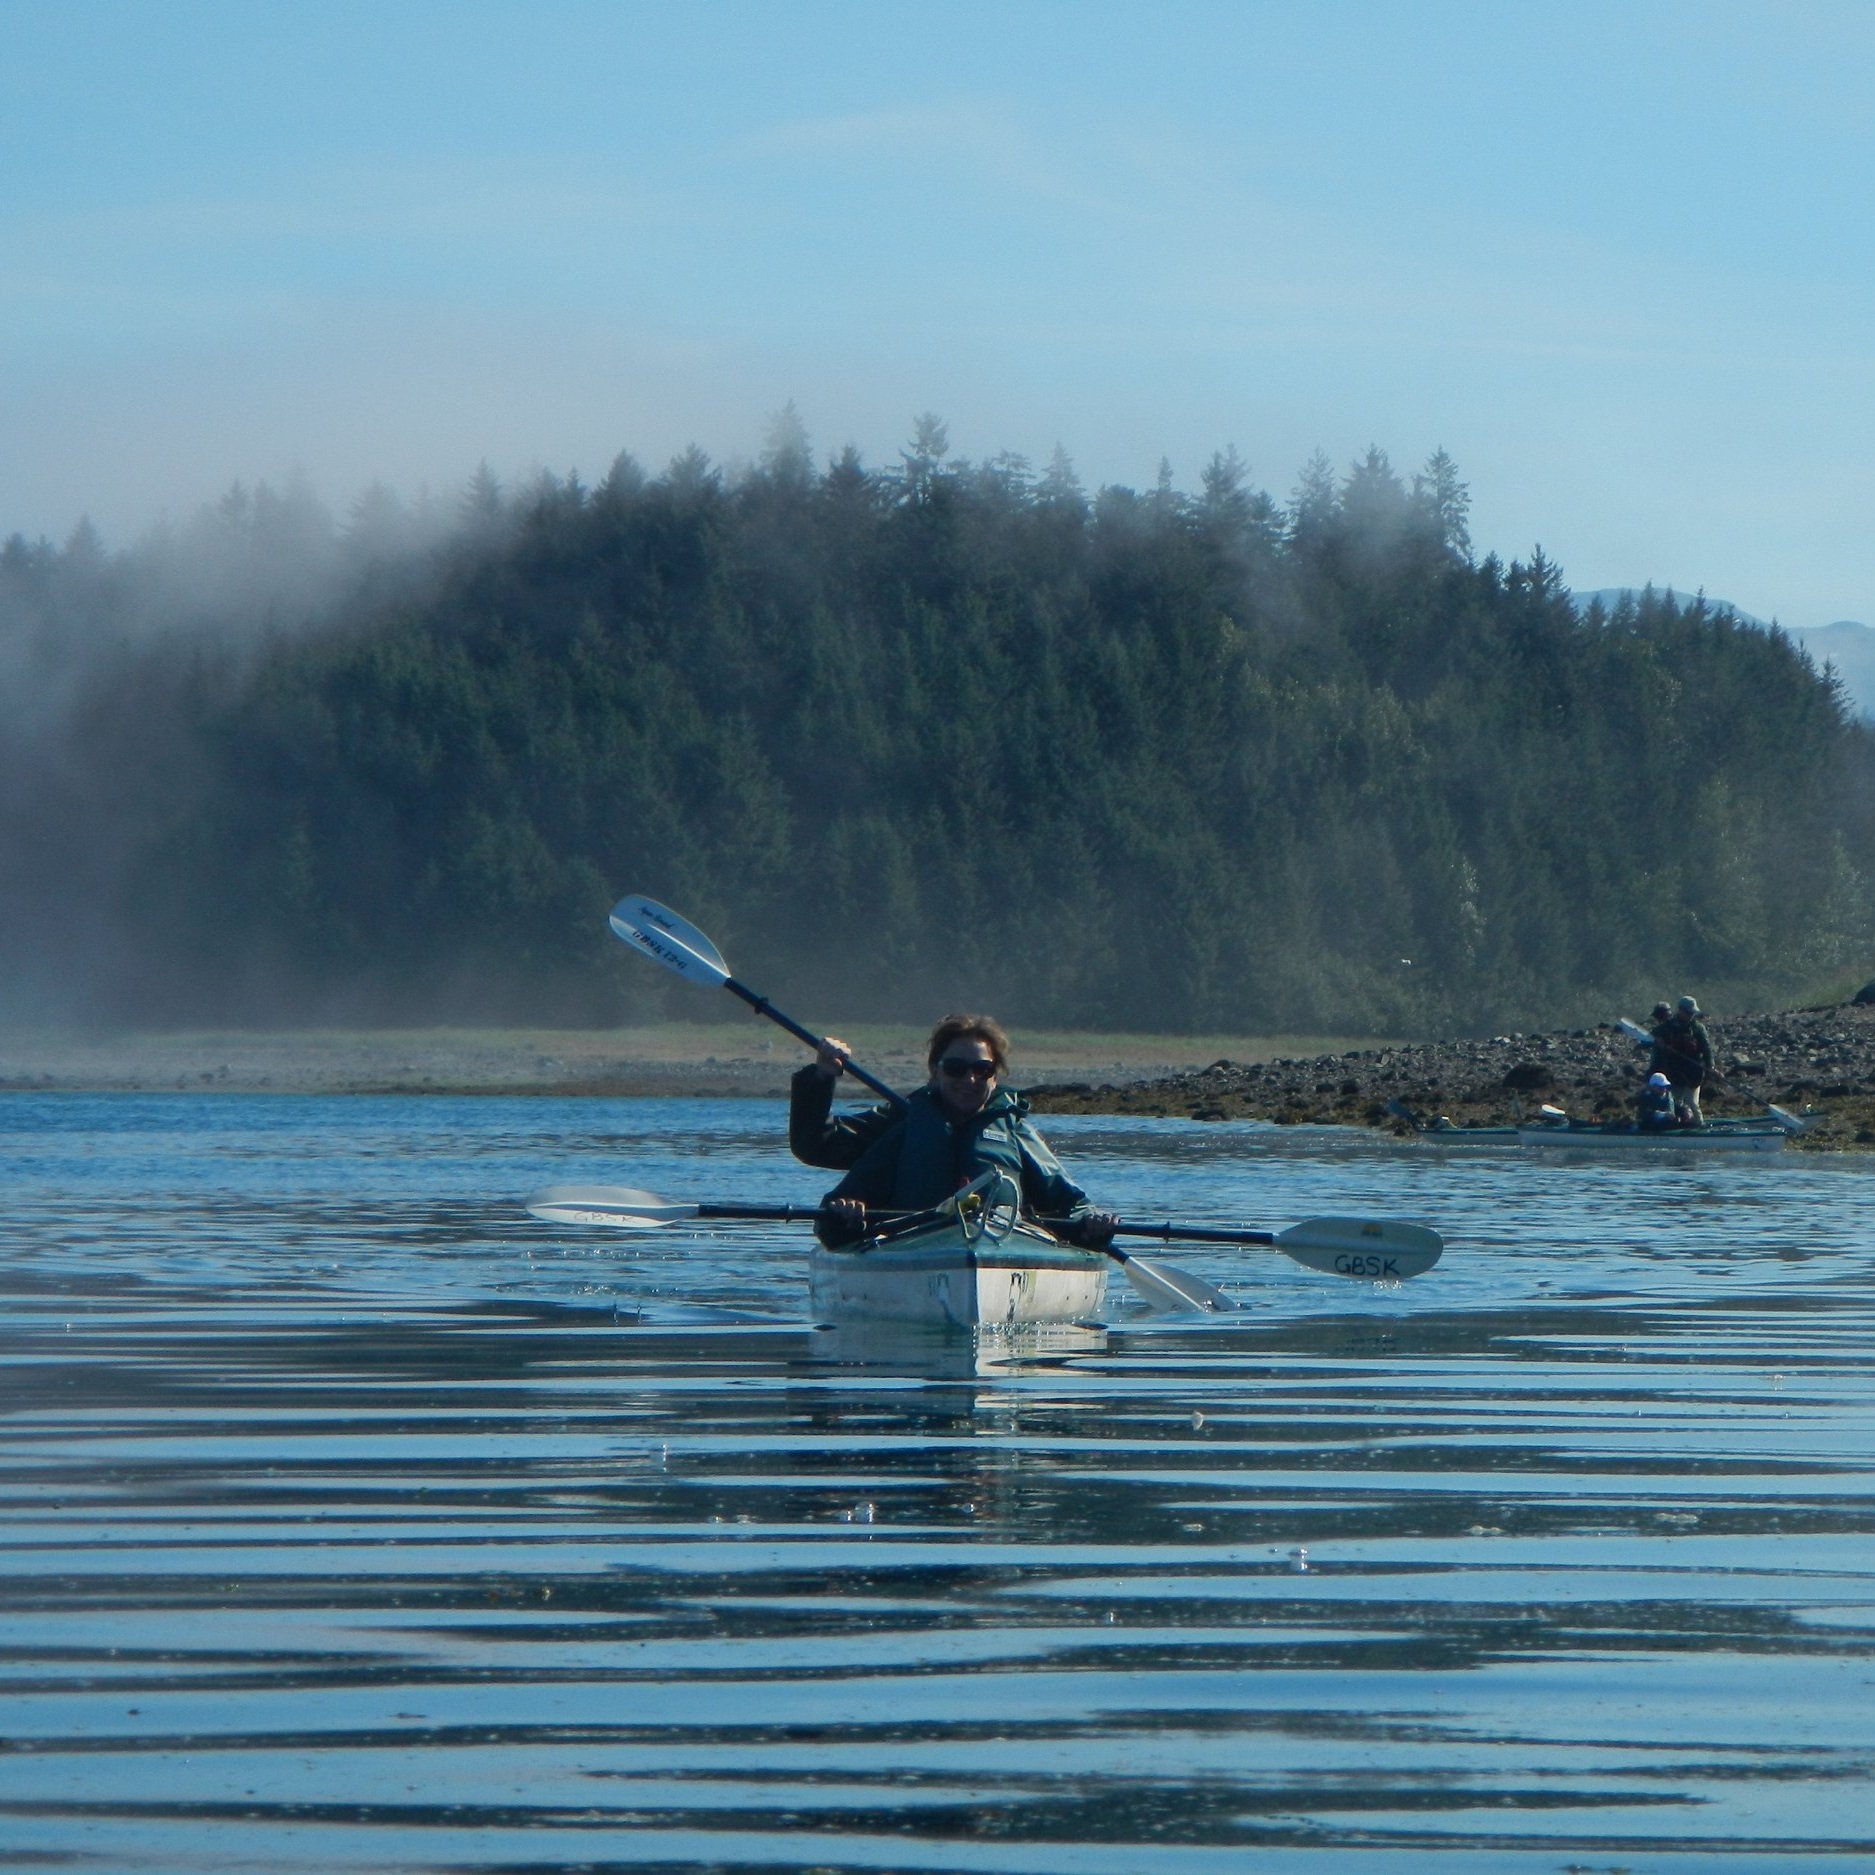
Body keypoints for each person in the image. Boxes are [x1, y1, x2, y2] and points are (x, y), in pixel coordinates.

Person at [813, 1014, 1118, 1249]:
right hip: (913, 1246)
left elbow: (1072, 1203)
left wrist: (1090, 1222)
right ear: (935, 1072)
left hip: (1002, 1249)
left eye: (982, 1070)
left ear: (995, 1077)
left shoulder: (1015, 1132)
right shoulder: (904, 1128)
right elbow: (825, 1173)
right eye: (956, 1068)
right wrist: (846, 1213)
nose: (969, 1080)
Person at [788, 1036, 899, 1169]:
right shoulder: (908, 1121)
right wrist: (822, 1074)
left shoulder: (915, 1120)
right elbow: (814, 1146)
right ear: (931, 1068)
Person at [1650, 995, 1716, 1119]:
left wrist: (1710, 1065)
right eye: (1688, 1012)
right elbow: (1650, 1040)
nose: (1691, 1015)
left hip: (1694, 1073)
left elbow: (1706, 1048)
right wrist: (1658, 1042)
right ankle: (1677, 1126)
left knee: (1691, 1103)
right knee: (1675, 1103)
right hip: (1674, 1072)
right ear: (1680, 1011)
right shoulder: (1666, 1027)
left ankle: (1699, 1126)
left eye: (1692, 1013)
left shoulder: (1698, 1028)